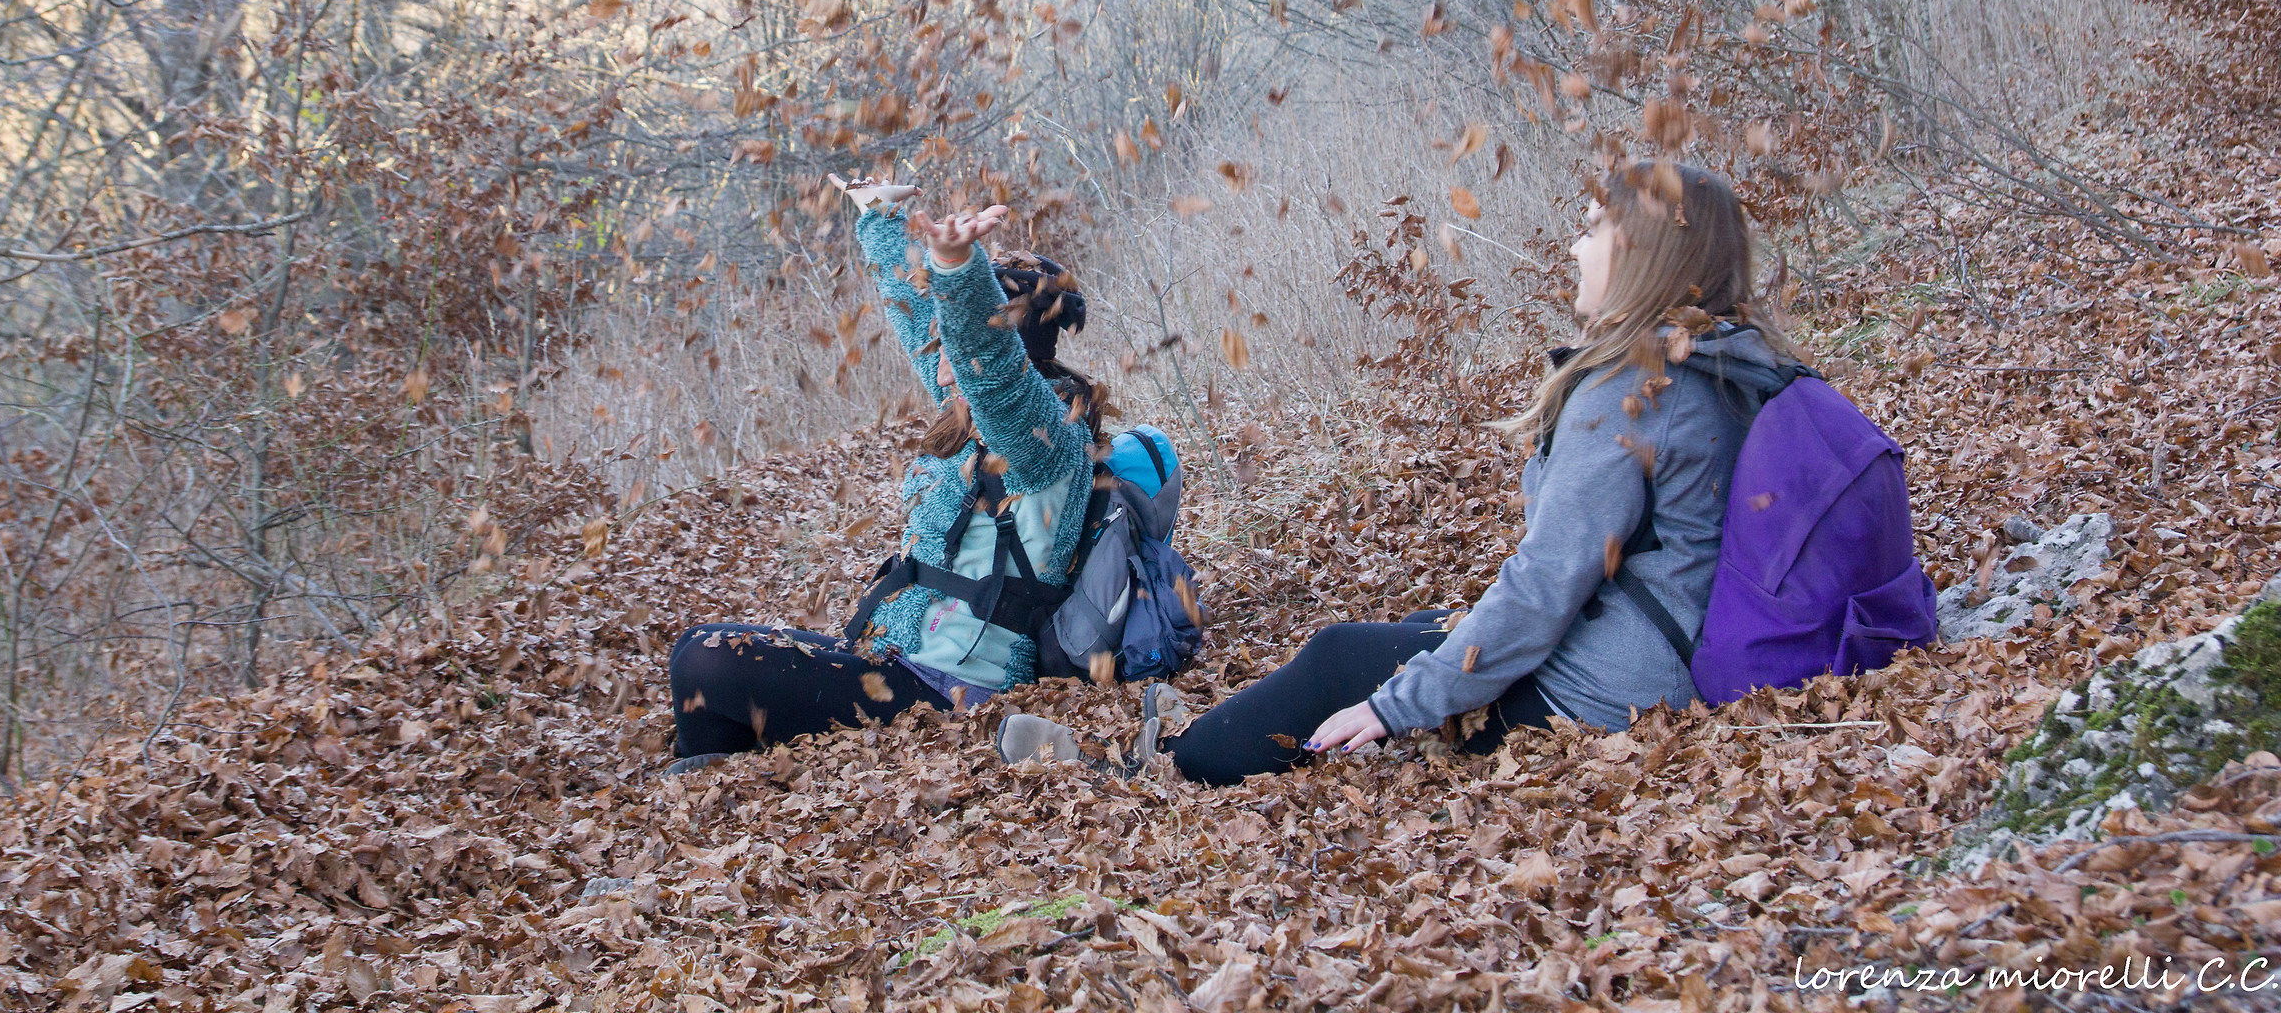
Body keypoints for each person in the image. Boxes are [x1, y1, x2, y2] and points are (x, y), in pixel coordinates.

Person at [1149, 161, 1802, 786]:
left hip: (1623, 689)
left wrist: (1395, 707)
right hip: (1678, 647)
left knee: (1337, 656)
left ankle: (1181, 760)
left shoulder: (1633, 391)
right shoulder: (1730, 357)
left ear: (1641, 249)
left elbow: (1545, 584)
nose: (1574, 249)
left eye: (1591, 230)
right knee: (1426, 624)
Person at [662, 179, 1105, 771]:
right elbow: (918, 320)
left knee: (708, 661)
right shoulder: (974, 416)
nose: (936, 357)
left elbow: (990, 370)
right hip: (896, 660)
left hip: (950, 693)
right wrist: (880, 218)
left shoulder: (1043, 440)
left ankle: (718, 796)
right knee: (699, 653)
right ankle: (725, 787)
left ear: (1003, 344)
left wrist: (956, 268)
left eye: (951, 337)